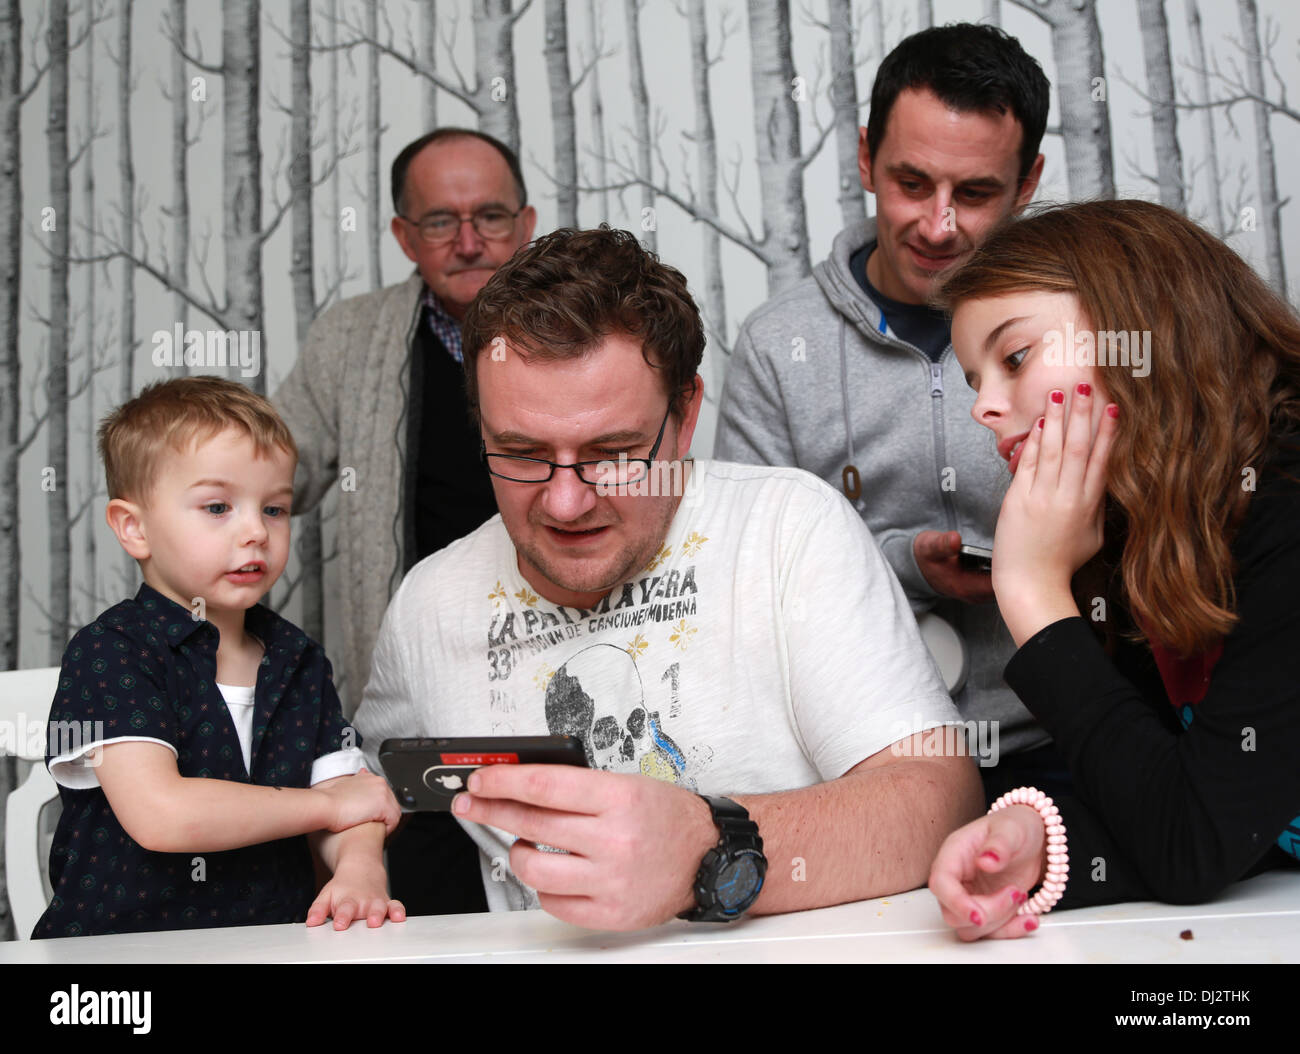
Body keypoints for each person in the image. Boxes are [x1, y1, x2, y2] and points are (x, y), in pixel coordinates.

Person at [353, 226, 984, 931]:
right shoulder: (430, 605)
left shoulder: (787, 532)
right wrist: (354, 855)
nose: (566, 502)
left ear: (685, 419)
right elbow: (357, 798)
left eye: (613, 451)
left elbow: (941, 801)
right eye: (522, 453)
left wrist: (704, 849)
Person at [928, 199, 1300, 940]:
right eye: (975, 381)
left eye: (1015, 357)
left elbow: (1191, 844)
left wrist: (1032, 590)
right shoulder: (1138, 526)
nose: (983, 408)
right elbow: (1191, 805)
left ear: (1144, 327)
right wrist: (1039, 844)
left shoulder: (1286, 501)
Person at [714, 24, 1055, 787]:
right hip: (855, 762)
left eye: (974, 194)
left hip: (1062, 745)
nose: (938, 226)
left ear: (1027, 181)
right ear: (866, 157)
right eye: (911, 183)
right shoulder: (777, 347)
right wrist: (909, 566)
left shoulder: (1081, 329)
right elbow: (751, 584)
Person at [274, 127, 538, 916]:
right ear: (400, 235)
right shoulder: (347, 341)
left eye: (490, 216)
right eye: (438, 222)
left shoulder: (579, 329)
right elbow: (268, 475)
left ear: (525, 225)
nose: (467, 241)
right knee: (419, 906)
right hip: (419, 694)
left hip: (558, 669)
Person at [34, 377, 404, 938]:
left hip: (273, 946)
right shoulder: (113, 651)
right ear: (134, 528)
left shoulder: (297, 659)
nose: (256, 531)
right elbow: (164, 815)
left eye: (275, 508)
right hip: (121, 957)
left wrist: (360, 867)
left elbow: (354, 796)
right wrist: (324, 808)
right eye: (217, 506)